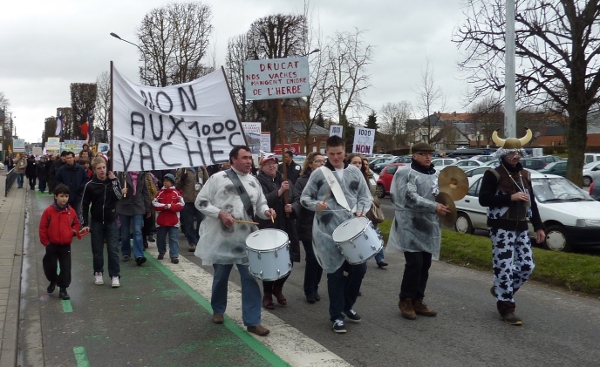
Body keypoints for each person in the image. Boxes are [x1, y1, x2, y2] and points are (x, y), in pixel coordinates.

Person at [194, 146, 276, 337]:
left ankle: (253, 321)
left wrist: (266, 211)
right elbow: (201, 201)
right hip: (222, 239)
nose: (249, 161)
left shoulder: (254, 181)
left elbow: (260, 205)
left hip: (246, 240)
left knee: (250, 278)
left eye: (250, 158)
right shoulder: (217, 178)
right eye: (245, 158)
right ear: (233, 160)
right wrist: (220, 214)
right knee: (221, 277)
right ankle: (218, 310)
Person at [300, 136, 372, 334]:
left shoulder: (354, 171)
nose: (336, 157)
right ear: (326, 152)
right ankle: (336, 316)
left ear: (344, 151)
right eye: (331, 154)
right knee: (335, 273)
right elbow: (304, 198)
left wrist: (360, 210)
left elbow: (366, 196)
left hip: (352, 230)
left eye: (339, 153)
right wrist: (317, 205)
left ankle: (347, 305)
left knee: (360, 269)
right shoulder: (319, 174)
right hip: (327, 231)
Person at [479, 129, 545, 326]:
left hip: (521, 226)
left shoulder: (525, 174)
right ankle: (506, 307)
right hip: (501, 228)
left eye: (518, 152)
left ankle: (501, 290)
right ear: (503, 154)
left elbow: (531, 203)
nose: (515, 156)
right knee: (504, 267)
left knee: (527, 265)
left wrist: (539, 227)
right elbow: (484, 199)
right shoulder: (493, 174)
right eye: (511, 153)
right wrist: (510, 197)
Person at [386, 142, 451, 321]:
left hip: (428, 225)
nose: (428, 157)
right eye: (423, 154)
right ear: (414, 155)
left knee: (425, 264)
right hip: (410, 224)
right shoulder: (405, 173)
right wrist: (434, 206)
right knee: (414, 263)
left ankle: (418, 300)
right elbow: (409, 197)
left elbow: (442, 194)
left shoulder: (435, 175)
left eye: (430, 154)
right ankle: (405, 300)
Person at [255, 153, 301, 310]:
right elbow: (259, 202)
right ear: (262, 167)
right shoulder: (258, 182)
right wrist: (279, 192)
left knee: (290, 259)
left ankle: (278, 288)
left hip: (287, 225)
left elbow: (297, 198)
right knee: (270, 262)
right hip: (269, 226)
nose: (271, 166)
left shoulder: (284, 179)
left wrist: (292, 207)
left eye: (274, 163)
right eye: (267, 164)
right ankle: (267, 293)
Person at [39, 184, 89, 300]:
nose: (64, 199)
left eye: (66, 196)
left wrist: (73, 231)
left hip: (65, 244)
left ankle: (63, 289)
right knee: (50, 266)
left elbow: (76, 223)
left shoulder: (71, 211)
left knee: (65, 267)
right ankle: (53, 280)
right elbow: (43, 227)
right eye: (61, 196)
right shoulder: (49, 211)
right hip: (51, 244)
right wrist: (45, 242)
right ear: (56, 196)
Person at [81, 157, 123, 287]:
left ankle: (115, 275)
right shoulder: (90, 185)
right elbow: (84, 204)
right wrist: (85, 223)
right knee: (97, 250)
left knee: (113, 250)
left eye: (103, 167)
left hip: (111, 221)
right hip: (97, 222)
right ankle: (98, 272)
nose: (102, 170)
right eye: (99, 168)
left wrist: (114, 181)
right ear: (94, 170)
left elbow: (119, 196)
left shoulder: (113, 182)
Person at [347, 153, 388, 268]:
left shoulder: (369, 177)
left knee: (374, 231)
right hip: (355, 210)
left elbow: (373, 191)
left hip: (369, 209)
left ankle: (380, 258)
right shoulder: (347, 176)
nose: (358, 165)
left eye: (360, 163)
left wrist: (373, 199)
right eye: (355, 163)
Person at [294, 152, 325, 304]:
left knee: (321, 258)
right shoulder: (302, 181)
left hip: (323, 225)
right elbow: (300, 200)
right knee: (312, 256)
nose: (321, 164)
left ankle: (315, 285)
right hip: (307, 224)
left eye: (323, 161)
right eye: (318, 161)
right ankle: (309, 289)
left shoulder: (328, 179)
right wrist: (314, 205)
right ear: (310, 164)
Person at [116, 171, 152, 265]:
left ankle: (139, 255)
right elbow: (114, 189)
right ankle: (126, 253)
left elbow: (145, 192)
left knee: (137, 230)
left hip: (138, 206)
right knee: (125, 232)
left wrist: (148, 208)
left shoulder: (141, 174)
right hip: (124, 206)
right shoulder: (122, 173)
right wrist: (121, 191)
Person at [152, 173, 185, 263]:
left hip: (173, 220)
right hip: (161, 220)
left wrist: (170, 206)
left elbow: (181, 205)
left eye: (167, 181)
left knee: (173, 238)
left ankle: (174, 255)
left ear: (172, 182)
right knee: (161, 238)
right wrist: (164, 206)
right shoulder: (159, 193)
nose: (165, 183)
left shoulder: (176, 193)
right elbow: (155, 204)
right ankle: (161, 252)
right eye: (164, 181)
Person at [175, 166, 208, 252]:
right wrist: (182, 179)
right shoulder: (182, 169)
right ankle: (191, 242)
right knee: (189, 223)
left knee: (201, 220)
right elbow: (177, 185)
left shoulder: (201, 169)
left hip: (199, 200)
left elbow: (207, 182)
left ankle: (198, 237)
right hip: (187, 200)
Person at [54, 151, 88, 219]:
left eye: (70, 158)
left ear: (74, 158)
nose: (69, 160)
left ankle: (78, 227)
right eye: (67, 158)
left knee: (78, 213)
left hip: (78, 195)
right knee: (67, 212)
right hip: (66, 196)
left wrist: (81, 187)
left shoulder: (80, 168)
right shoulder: (62, 169)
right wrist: (62, 188)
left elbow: (86, 179)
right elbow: (57, 180)